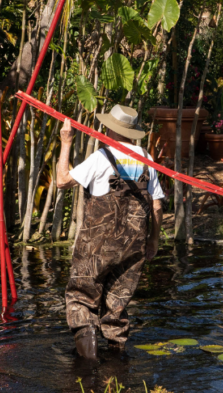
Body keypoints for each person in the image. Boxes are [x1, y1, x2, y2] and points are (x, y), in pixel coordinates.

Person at [55, 104, 164, 359]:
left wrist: (66, 142)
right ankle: (117, 369)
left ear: (109, 129)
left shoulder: (102, 157)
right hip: (134, 246)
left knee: (82, 297)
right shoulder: (147, 159)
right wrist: (154, 239)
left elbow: (62, 181)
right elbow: (157, 204)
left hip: (97, 245)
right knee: (117, 306)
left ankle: (87, 368)